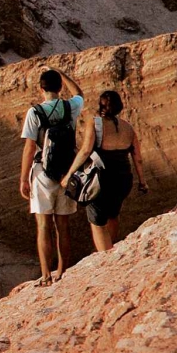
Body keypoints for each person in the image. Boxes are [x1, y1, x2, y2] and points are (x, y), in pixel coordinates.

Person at [19, 68, 83, 284]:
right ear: (60, 87)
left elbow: (29, 148)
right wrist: (64, 73)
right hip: (67, 172)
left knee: (43, 226)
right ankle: (62, 272)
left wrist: (23, 179)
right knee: (63, 226)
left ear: (41, 89)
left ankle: (46, 275)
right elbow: (80, 93)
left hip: (42, 174)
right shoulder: (70, 106)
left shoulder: (35, 112)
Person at [63, 90, 148, 252]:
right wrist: (143, 182)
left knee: (97, 222)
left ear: (101, 105)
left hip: (101, 179)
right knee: (113, 215)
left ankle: (105, 257)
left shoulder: (95, 123)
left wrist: (69, 175)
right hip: (123, 179)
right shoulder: (128, 128)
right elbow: (138, 158)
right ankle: (111, 249)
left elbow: (86, 151)